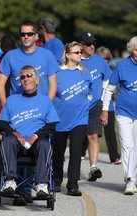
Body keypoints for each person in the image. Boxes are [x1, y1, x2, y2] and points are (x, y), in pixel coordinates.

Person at [0, 20, 59, 205]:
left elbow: (53, 84)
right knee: (12, 142)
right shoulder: (10, 56)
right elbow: (0, 83)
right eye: (22, 34)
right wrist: (8, 105)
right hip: (17, 110)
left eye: (29, 34)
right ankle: (19, 189)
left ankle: (37, 186)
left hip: (38, 110)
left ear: (36, 35)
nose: (26, 37)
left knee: (40, 143)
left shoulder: (47, 56)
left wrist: (44, 105)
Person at [53, 41, 91, 196]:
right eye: (77, 52)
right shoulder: (57, 73)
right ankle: (55, 181)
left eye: (80, 52)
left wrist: (87, 104)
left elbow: (93, 92)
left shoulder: (84, 72)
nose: (80, 54)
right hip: (60, 118)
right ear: (68, 55)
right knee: (58, 152)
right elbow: (51, 93)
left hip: (79, 119)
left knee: (76, 152)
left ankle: (72, 185)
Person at [100, 36, 137, 195]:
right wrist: (104, 110)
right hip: (123, 112)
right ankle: (129, 180)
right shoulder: (122, 66)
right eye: (135, 49)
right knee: (127, 146)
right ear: (130, 50)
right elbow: (109, 89)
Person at [78, 32, 112, 181]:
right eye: (88, 43)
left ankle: (93, 168)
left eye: (93, 43)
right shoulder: (74, 59)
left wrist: (105, 109)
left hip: (95, 104)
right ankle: (74, 167)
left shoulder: (100, 61)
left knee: (93, 136)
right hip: (77, 105)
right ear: (80, 45)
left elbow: (109, 84)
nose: (91, 46)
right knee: (77, 138)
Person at [95, 46, 121, 164]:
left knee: (110, 132)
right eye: (101, 58)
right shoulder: (93, 71)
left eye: (106, 58)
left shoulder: (110, 72)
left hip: (108, 106)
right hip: (94, 104)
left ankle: (114, 156)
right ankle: (81, 153)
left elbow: (114, 87)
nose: (103, 61)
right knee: (90, 132)